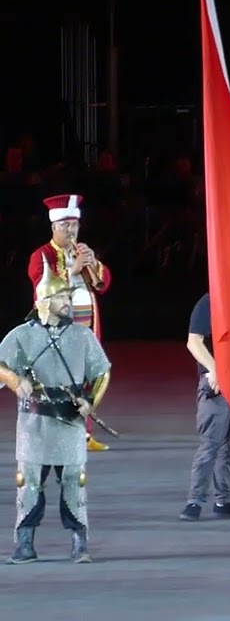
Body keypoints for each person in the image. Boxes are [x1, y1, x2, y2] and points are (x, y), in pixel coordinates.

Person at [1, 258, 112, 563]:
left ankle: (79, 543)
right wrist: (13, 378)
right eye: (63, 297)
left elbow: (102, 372)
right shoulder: (22, 336)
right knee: (29, 485)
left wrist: (91, 403)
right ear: (45, 302)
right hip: (35, 423)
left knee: (75, 485)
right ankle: (25, 542)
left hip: (69, 423)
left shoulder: (82, 336)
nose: (69, 301)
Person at [27, 193, 112, 452]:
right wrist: (72, 271)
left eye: (74, 225)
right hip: (57, 332)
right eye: (66, 226)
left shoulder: (79, 250)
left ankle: (83, 436)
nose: (71, 231)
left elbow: (102, 284)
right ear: (54, 227)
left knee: (87, 381)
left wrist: (93, 262)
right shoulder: (41, 255)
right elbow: (43, 291)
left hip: (85, 329)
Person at [179, 247, 230, 522]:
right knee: (211, 443)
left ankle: (223, 500)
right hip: (217, 383)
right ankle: (195, 501)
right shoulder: (211, 301)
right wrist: (215, 368)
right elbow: (193, 341)